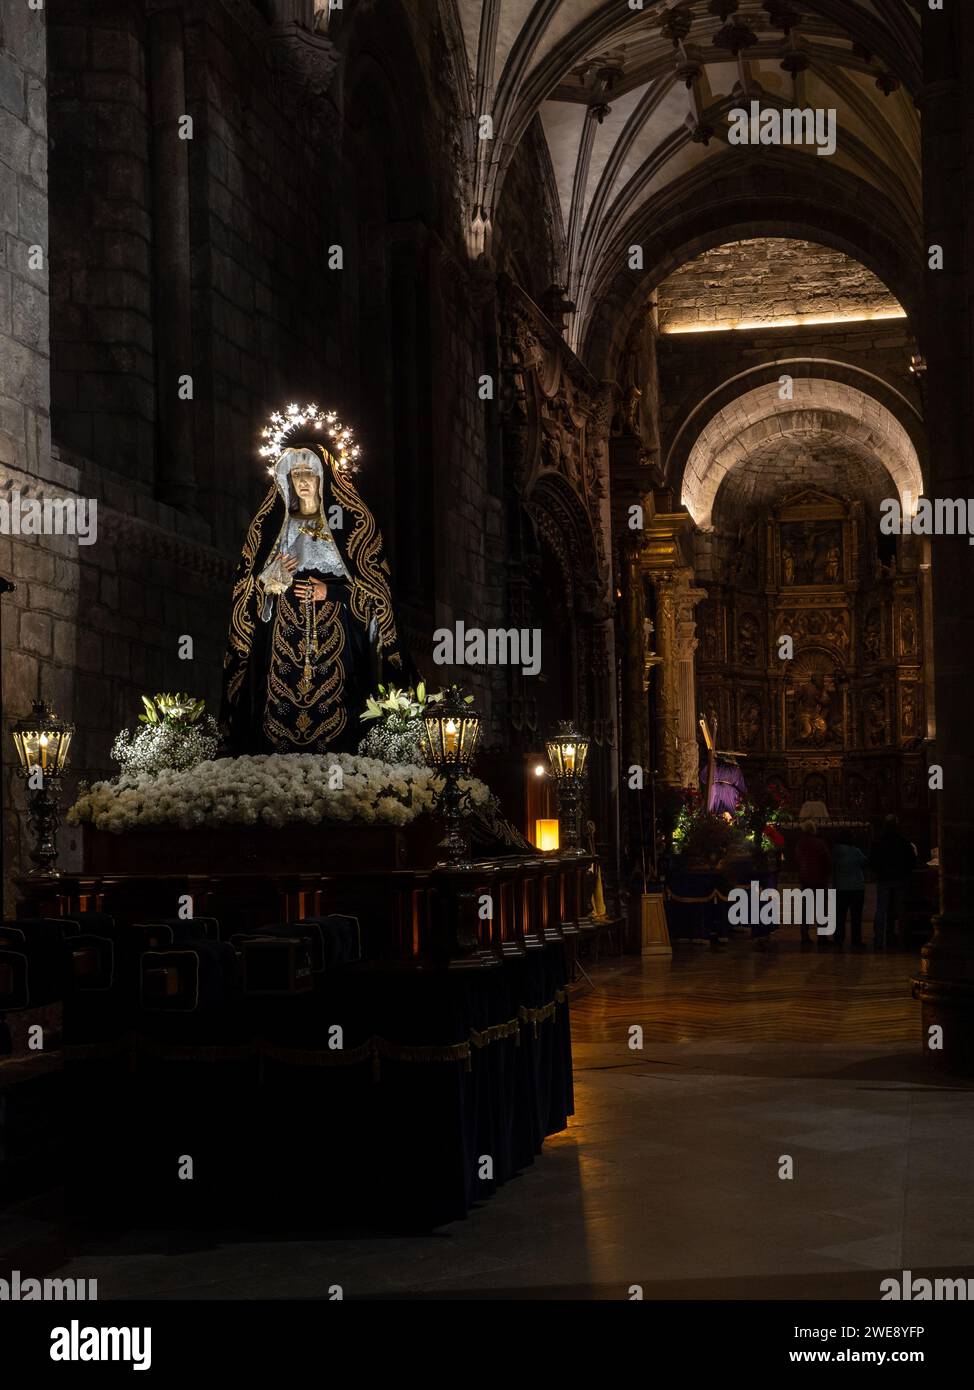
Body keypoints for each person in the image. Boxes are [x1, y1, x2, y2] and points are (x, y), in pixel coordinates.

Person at [220, 443, 408, 754]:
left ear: (325, 477)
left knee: (341, 709)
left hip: (340, 632)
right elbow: (248, 593)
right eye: (296, 474)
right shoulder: (274, 527)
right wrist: (271, 578)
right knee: (278, 707)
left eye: (310, 473)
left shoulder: (351, 525)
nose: (303, 481)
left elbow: (376, 592)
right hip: (284, 633)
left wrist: (331, 592)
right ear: (287, 479)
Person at [869, 816, 917, 948]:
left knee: (881, 910)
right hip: (900, 879)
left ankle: (879, 940)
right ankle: (903, 939)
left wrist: (877, 872)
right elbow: (912, 860)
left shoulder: (878, 841)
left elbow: (872, 860)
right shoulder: (903, 841)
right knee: (900, 910)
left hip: (883, 879)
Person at [796, 818, 831, 944]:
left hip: (806, 878)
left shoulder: (800, 843)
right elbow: (826, 859)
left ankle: (804, 935)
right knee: (821, 909)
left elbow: (798, 859)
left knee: (806, 909)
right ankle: (822, 936)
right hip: (819, 878)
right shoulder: (819, 843)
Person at [832, 832, 867, 948]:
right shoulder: (855, 851)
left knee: (840, 915)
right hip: (856, 887)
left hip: (841, 887)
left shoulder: (835, 852)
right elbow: (865, 862)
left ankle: (839, 938)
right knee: (856, 916)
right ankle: (856, 940)